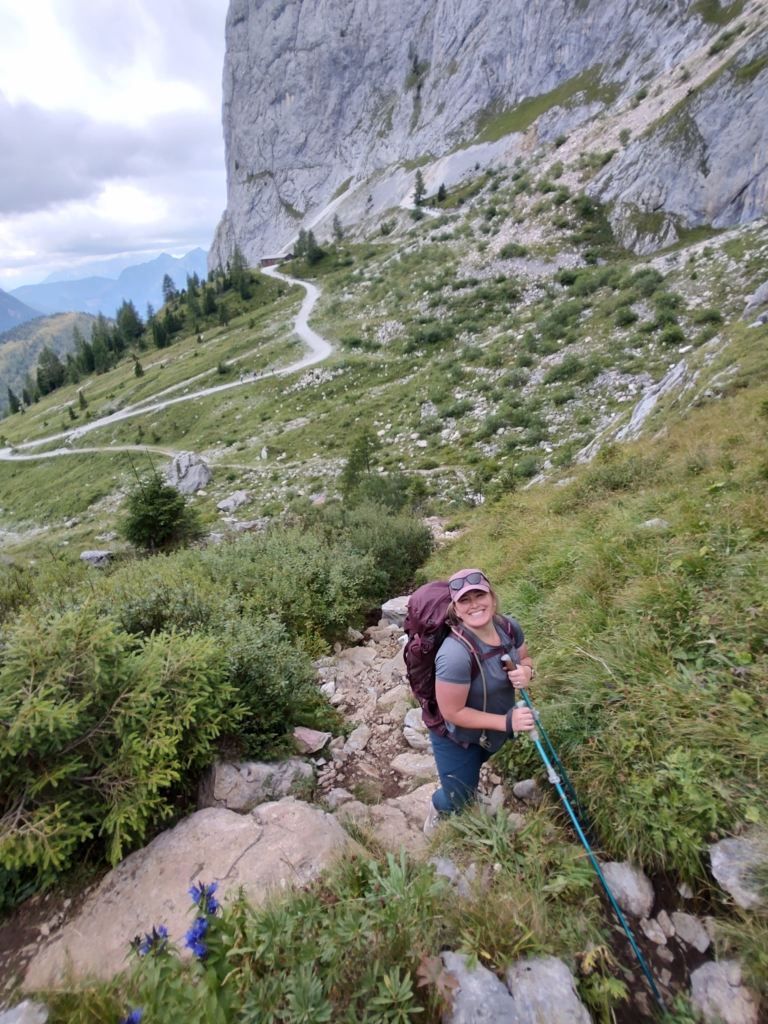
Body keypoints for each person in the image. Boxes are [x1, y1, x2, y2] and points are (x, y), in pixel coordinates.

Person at [425, 568, 536, 834]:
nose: (474, 604)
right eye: (465, 600)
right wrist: (506, 721)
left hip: (491, 731)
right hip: (456, 737)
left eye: (480, 595)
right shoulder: (455, 654)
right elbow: (452, 712)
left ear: (493, 598)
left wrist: (528, 672)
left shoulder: (508, 627)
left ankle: (464, 784)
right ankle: (439, 805)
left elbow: (527, 659)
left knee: (471, 775)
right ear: (456, 609)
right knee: (459, 799)